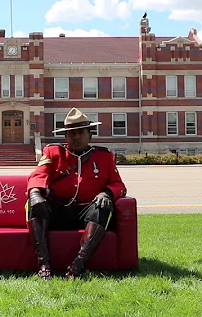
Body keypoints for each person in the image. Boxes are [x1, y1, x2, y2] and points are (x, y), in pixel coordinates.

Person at [26, 107, 127, 280]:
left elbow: (118, 184)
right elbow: (38, 175)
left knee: (103, 207)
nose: (76, 137)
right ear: (65, 137)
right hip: (57, 209)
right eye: (71, 133)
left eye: (81, 132)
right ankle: (44, 265)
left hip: (85, 212)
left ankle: (77, 265)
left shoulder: (104, 157)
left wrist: (107, 193)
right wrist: (35, 193)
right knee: (35, 204)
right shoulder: (53, 152)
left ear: (90, 135)